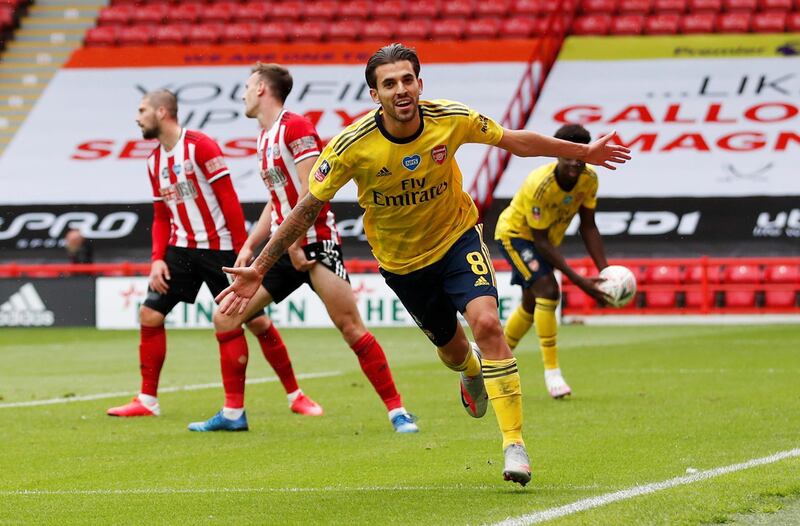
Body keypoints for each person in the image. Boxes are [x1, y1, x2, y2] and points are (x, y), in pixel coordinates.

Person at [214, 44, 630, 486]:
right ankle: (470, 371)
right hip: (403, 264)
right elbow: (305, 208)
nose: (401, 90)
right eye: (389, 83)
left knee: (488, 323)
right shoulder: (351, 146)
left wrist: (582, 153)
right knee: (453, 353)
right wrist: (260, 266)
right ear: (375, 94)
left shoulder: (450, 117)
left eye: (407, 80)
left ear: (419, 83)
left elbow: (514, 140)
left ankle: (514, 443)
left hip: (457, 239)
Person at [190, 63, 418, 434]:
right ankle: (233, 413)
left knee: (350, 327)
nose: (244, 94)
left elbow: (311, 190)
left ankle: (397, 412)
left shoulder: (295, 127)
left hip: (315, 245)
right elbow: (277, 200)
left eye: (248, 86)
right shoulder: (265, 137)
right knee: (226, 316)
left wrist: (296, 244)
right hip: (283, 250)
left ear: (263, 89)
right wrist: (251, 244)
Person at [107, 89, 324, 422]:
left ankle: (295, 395)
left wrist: (242, 253)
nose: (137, 118)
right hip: (180, 251)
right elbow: (162, 215)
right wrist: (157, 258)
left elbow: (229, 200)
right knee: (150, 315)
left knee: (256, 321)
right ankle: (147, 399)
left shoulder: (200, 146)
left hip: (219, 250)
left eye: (142, 110)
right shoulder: (154, 161)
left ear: (162, 111)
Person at [495, 124, 610, 400]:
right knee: (548, 290)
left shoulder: (589, 179)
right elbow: (541, 241)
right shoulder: (540, 184)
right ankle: (552, 373)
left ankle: (494, 361)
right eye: (567, 154)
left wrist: (606, 271)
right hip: (516, 236)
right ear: (556, 154)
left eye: (579, 155)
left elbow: (589, 227)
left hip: (544, 241)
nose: (573, 162)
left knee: (531, 303)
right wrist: (579, 281)